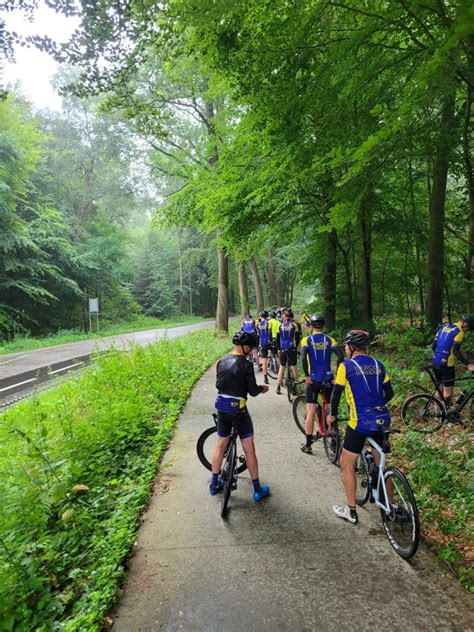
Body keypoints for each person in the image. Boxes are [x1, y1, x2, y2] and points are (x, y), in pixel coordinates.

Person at [327, 330, 394, 525]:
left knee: (346, 463)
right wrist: (377, 405)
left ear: (351, 347)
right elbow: (389, 392)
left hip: (359, 422)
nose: (346, 349)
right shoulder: (378, 365)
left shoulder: (345, 366)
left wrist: (332, 415)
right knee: (382, 463)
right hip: (382, 418)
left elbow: (336, 394)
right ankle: (391, 505)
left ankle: (351, 510)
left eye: (347, 346)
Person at [210, 330, 271, 502]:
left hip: (222, 408)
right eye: (250, 347)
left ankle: (214, 484)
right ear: (244, 347)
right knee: (249, 449)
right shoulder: (245, 364)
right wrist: (262, 388)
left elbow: (218, 384)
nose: (251, 350)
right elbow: (252, 391)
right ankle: (258, 490)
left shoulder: (221, 361)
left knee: (220, 446)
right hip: (239, 411)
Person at [300, 314, 344, 454]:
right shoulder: (330, 340)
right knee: (331, 408)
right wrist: (336, 374)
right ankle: (334, 441)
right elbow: (341, 356)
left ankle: (308, 445)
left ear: (311, 326)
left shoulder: (306, 340)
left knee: (311, 412)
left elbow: (302, 358)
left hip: (313, 380)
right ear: (323, 326)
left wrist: (307, 375)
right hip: (328, 379)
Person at [431, 315, 474, 407]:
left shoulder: (443, 328)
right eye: (468, 328)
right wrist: (468, 364)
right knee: (447, 393)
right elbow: (455, 351)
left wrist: (440, 355)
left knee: (440, 388)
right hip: (447, 365)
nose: (467, 331)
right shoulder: (459, 332)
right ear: (465, 324)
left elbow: (433, 347)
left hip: (435, 362)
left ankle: (439, 416)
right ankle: (447, 417)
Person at [276, 310, 301, 395]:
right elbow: (298, 337)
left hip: (283, 348)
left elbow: (278, 338)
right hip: (291, 348)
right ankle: (296, 385)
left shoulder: (280, 326)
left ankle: (278, 387)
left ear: (284, 317)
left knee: (282, 366)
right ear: (292, 318)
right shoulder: (294, 325)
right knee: (293, 366)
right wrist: (296, 346)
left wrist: (279, 349)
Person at [256, 310, 271, 384]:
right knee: (277, 355)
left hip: (262, 343)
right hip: (270, 342)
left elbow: (258, 334)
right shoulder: (269, 323)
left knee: (264, 361)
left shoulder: (257, 325)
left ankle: (265, 378)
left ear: (260, 317)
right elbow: (270, 332)